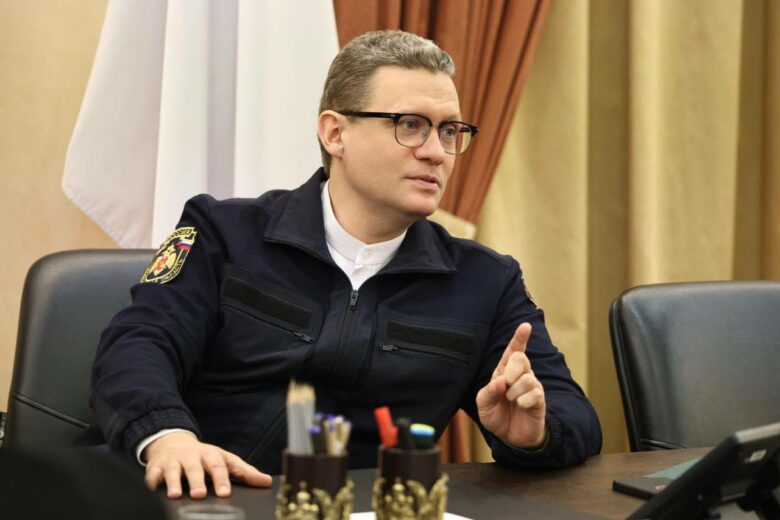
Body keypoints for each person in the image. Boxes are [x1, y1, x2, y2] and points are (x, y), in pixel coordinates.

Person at [90, 30, 602, 500]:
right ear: (335, 133)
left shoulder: (485, 281)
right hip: (209, 496)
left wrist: (535, 435)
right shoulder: (224, 233)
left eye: (449, 131)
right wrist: (168, 436)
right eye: (410, 125)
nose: (436, 153)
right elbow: (137, 346)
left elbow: (574, 416)